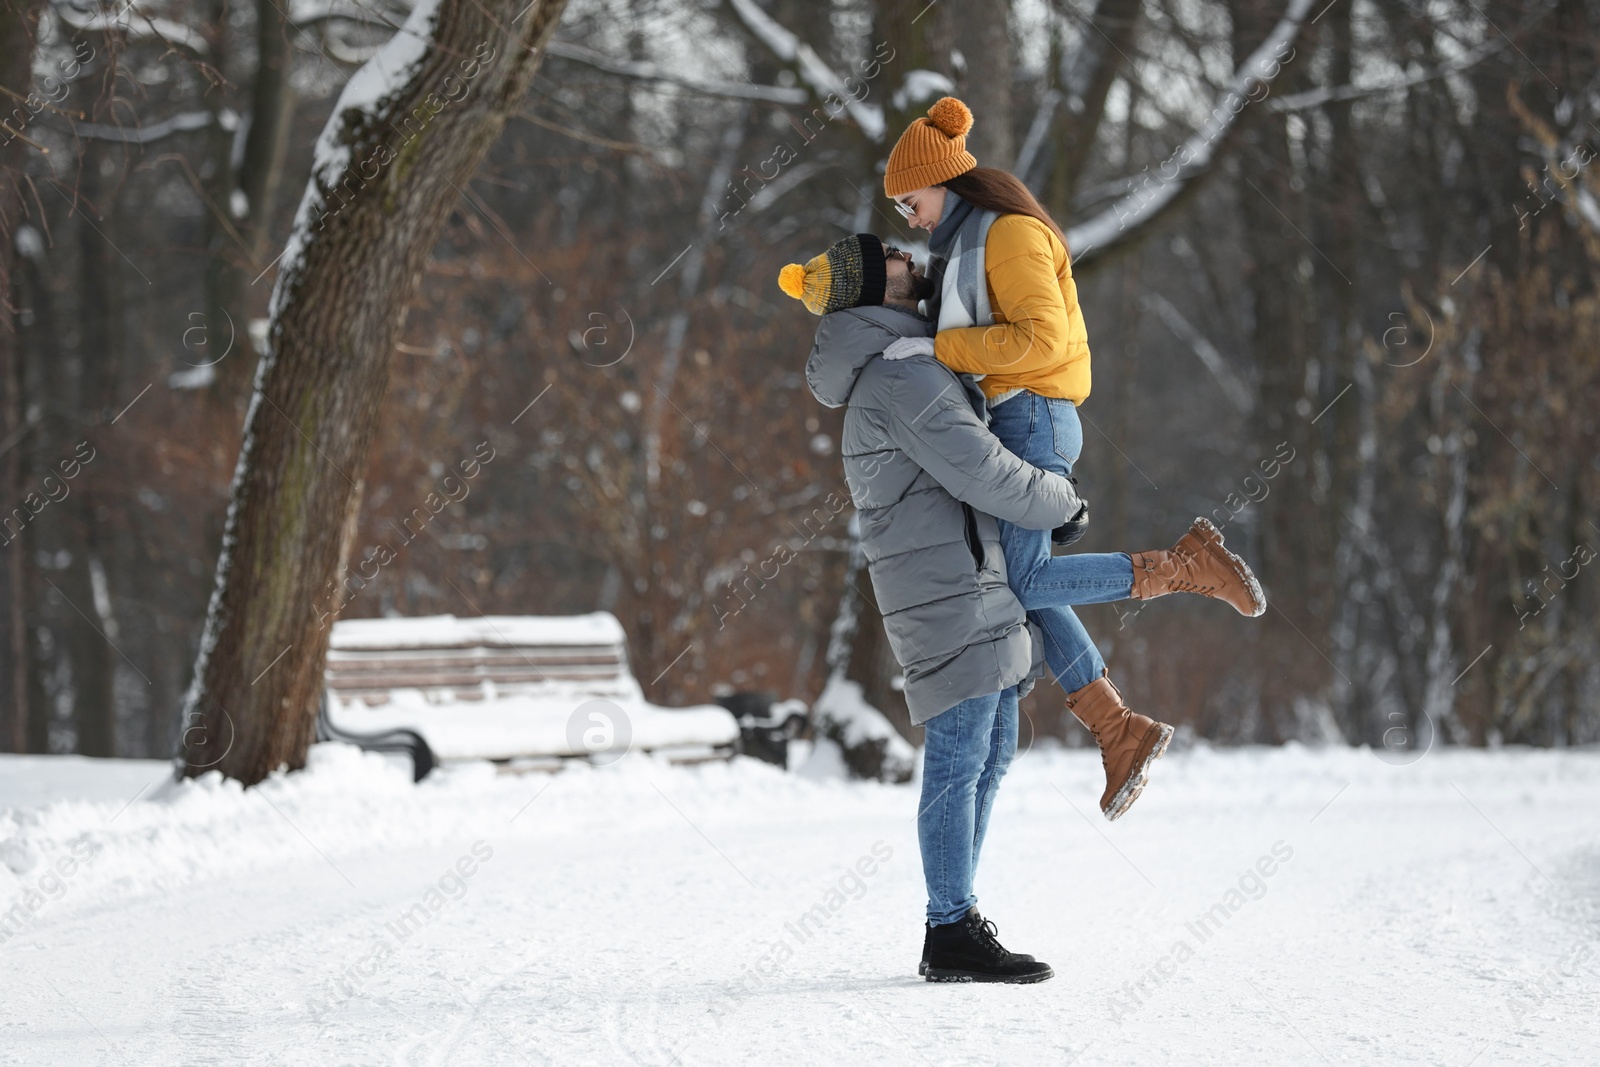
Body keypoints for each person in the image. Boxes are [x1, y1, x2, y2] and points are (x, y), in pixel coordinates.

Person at [878, 96, 1267, 821]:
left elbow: (1038, 342)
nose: (909, 217)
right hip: (1011, 419)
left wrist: (940, 348)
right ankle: (1117, 726)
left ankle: (1186, 568)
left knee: (1023, 579)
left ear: (942, 180)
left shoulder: (1009, 233)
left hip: (1033, 416)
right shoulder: (967, 243)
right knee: (1019, 583)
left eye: (911, 201)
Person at [780, 233, 1074, 983]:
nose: (914, 258)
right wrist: (1059, 501)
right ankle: (949, 927)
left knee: (992, 750)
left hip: (968, 580)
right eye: (899, 258)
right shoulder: (898, 378)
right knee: (957, 758)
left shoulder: (907, 364)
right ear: (878, 287)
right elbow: (981, 469)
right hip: (947, 593)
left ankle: (958, 918)